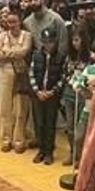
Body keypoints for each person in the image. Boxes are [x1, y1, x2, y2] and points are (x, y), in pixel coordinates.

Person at [0, 9, 32, 153]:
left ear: (20, 21)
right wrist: (14, 53)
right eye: (9, 22)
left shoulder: (27, 36)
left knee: (21, 109)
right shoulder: (2, 36)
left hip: (21, 74)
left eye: (14, 21)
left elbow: (24, 51)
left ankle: (19, 140)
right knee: (4, 108)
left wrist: (7, 53)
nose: (11, 25)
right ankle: (6, 139)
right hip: (4, 74)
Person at [27, 27, 65, 165]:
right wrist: (37, 91)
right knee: (39, 123)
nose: (48, 44)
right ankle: (41, 150)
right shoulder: (36, 55)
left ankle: (49, 152)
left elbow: (62, 77)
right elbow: (31, 73)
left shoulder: (61, 57)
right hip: (38, 94)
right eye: (45, 41)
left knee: (50, 124)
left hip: (52, 96)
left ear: (55, 42)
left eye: (51, 41)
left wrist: (53, 91)